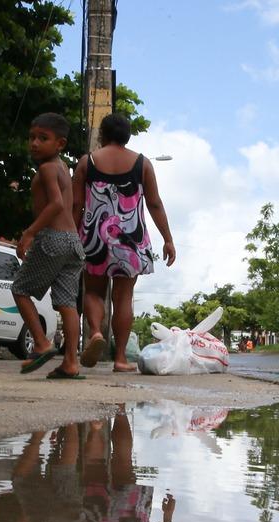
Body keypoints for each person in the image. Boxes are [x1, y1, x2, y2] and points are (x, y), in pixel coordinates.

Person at [73, 113, 175, 372]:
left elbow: (76, 205)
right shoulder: (143, 164)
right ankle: (120, 358)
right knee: (123, 298)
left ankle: (96, 332)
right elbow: (154, 203)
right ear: (127, 136)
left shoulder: (87, 162)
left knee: (93, 292)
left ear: (102, 134)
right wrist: (168, 239)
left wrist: (72, 236)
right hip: (130, 238)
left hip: (94, 235)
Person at [13, 113, 85, 379]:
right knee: (67, 302)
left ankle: (41, 342)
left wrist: (30, 232)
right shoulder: (62, 166)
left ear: (60, 143)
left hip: (53, 238)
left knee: (20, 289)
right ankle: (71, 362)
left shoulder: (46, 169)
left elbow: (55, 205)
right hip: (73, 242)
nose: (34, 143)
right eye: (32, 137)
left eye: (43, 138)